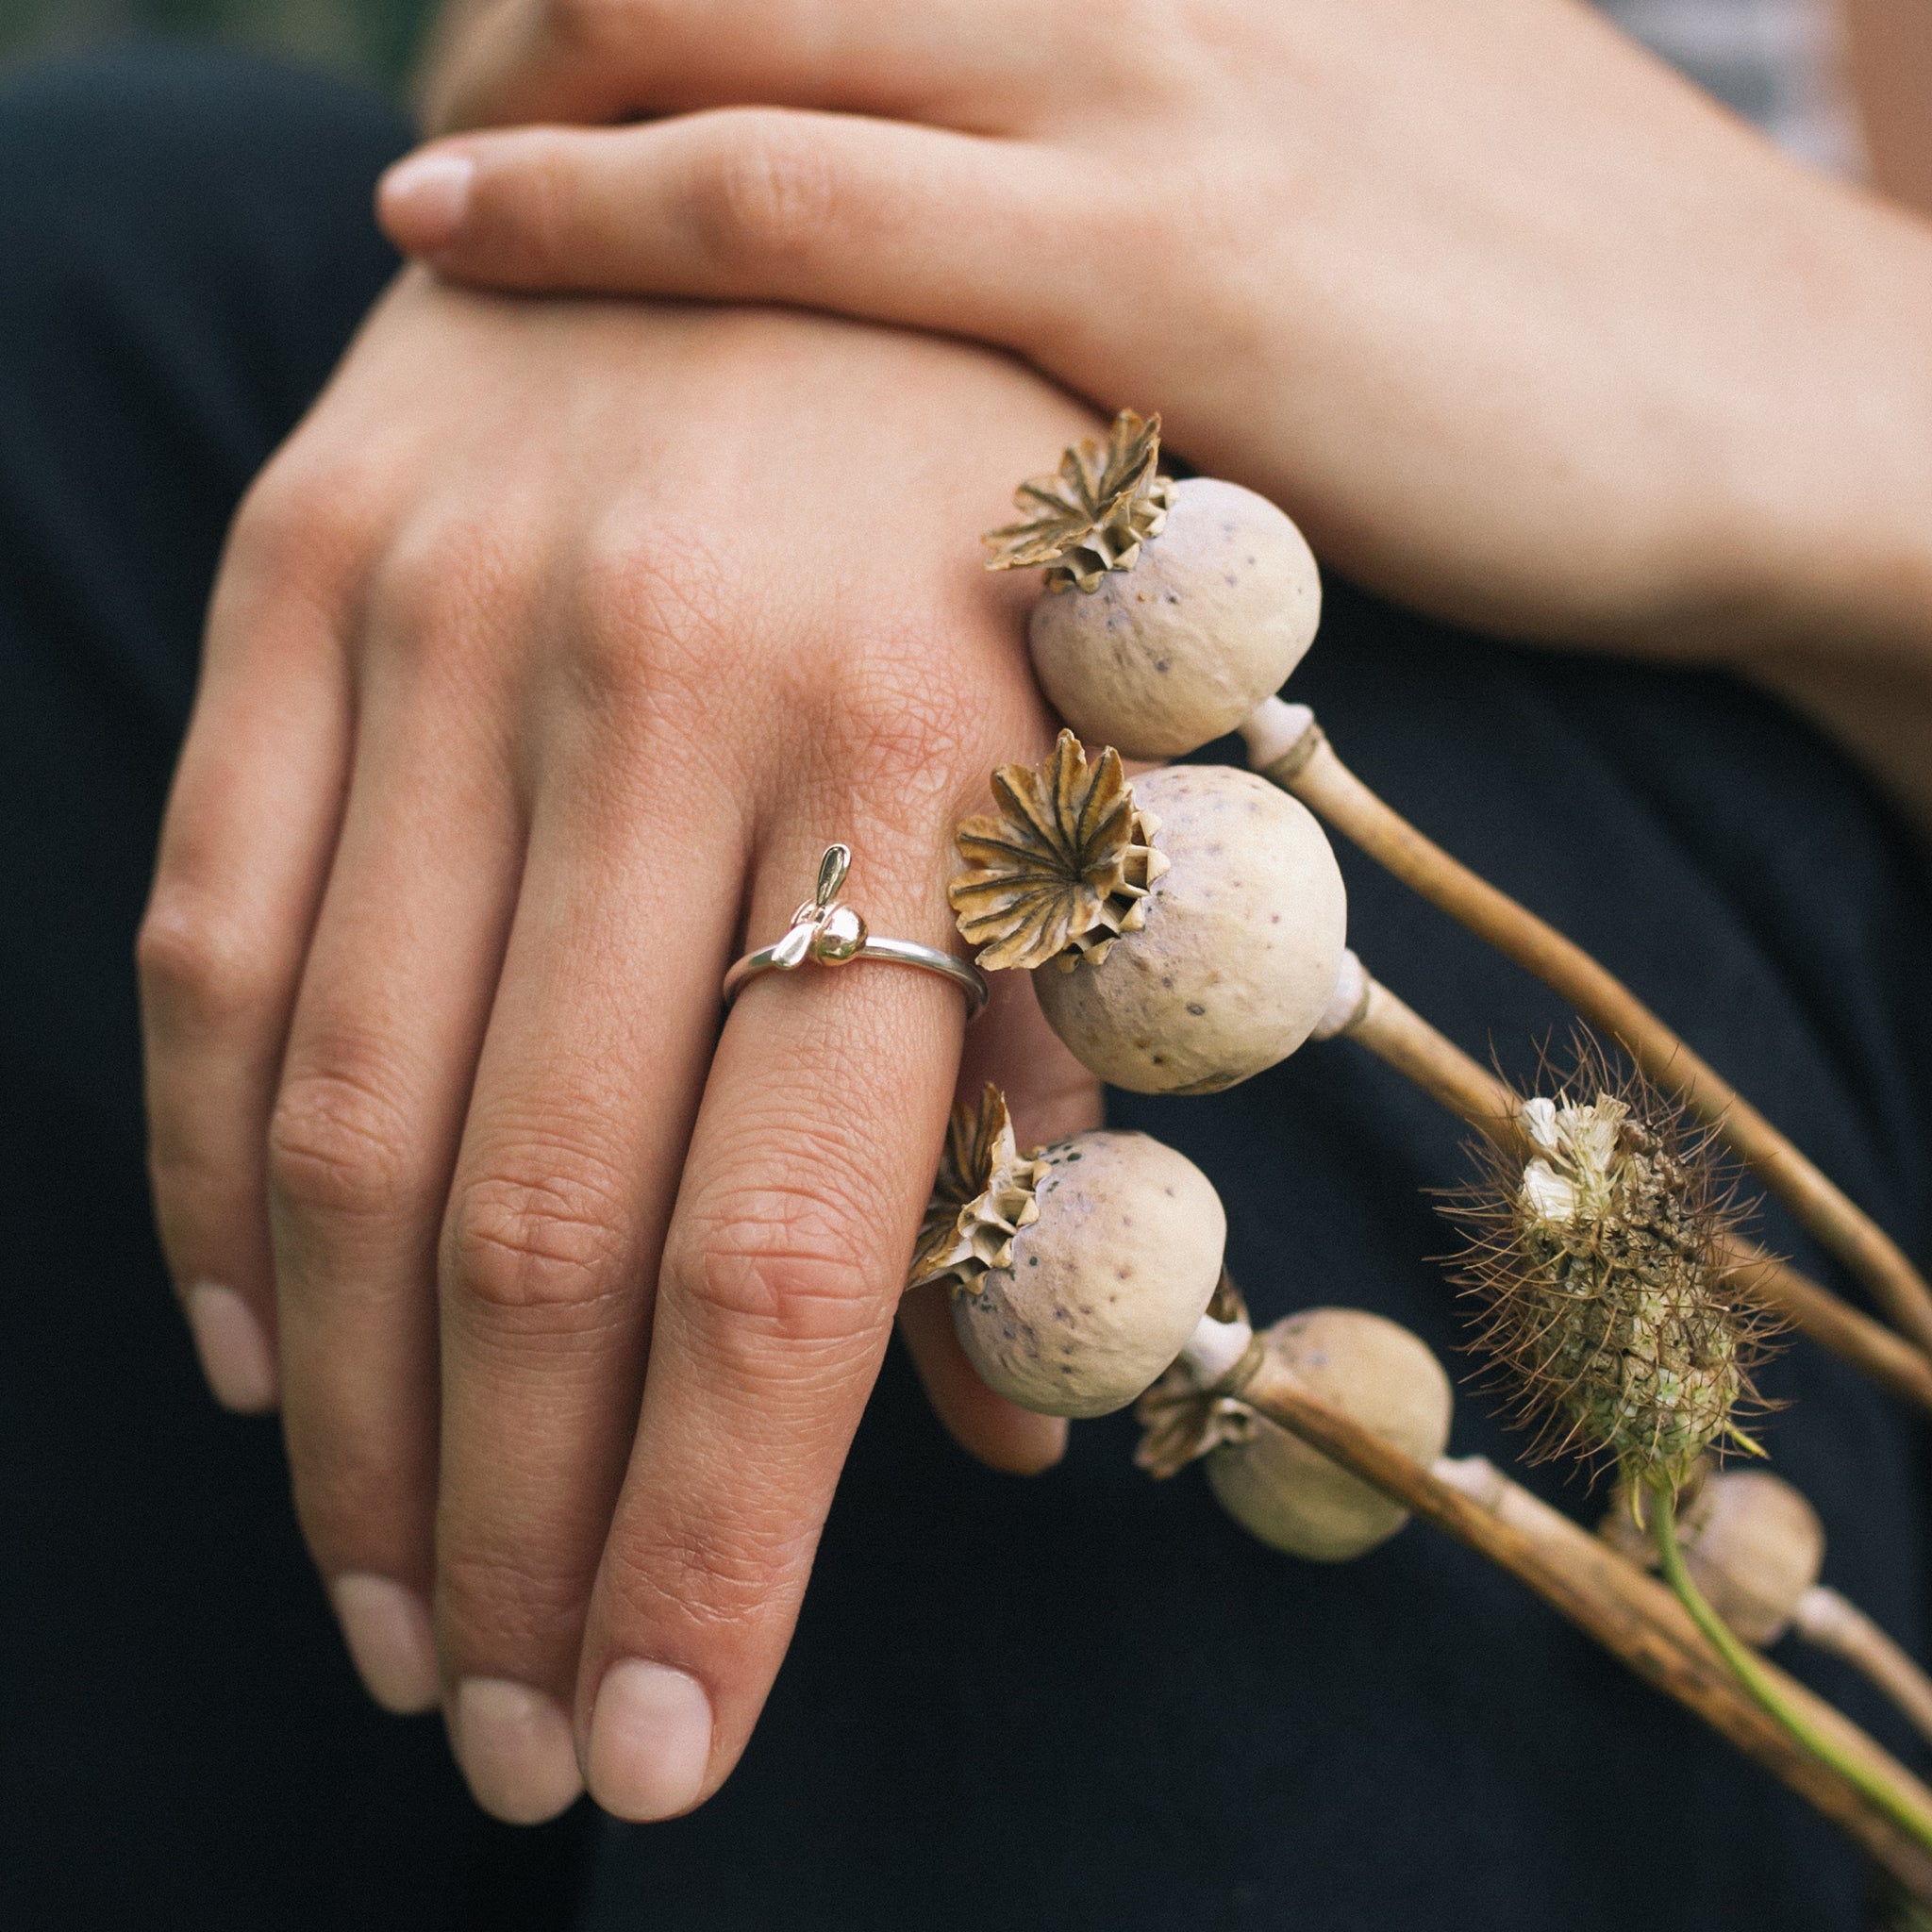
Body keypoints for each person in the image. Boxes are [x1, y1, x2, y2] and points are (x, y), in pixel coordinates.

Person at [4, 4, 1930, 1925]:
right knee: (89, 290)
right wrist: (808, 243)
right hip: (1187, 451)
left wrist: (1826, 350)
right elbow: (563, 56)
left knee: (1291, 1116)